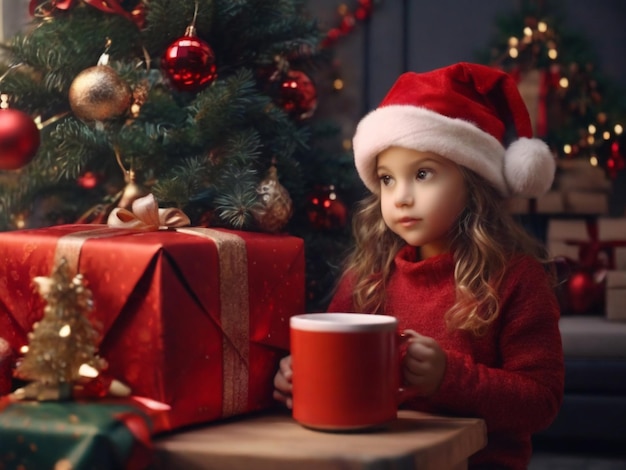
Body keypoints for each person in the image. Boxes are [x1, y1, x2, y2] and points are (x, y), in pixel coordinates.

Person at [274, 62, 564, 469]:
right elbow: (334, 364)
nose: (400, 197)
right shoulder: (368, 277)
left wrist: (450, 377)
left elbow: (541, 401)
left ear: (473, 181)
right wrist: (301, 376)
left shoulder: (516, 279)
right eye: (387, 179)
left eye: (423, 174)